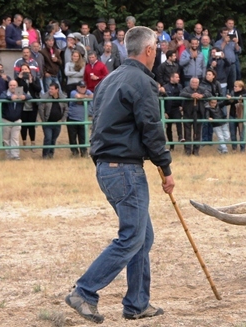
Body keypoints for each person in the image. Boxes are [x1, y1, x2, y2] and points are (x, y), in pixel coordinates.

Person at [68, 26, 173, 324]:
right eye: (157, 49)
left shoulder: (108, 80)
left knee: (143, 236)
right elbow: (152, 129)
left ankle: (137, 303)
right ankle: (84, 291)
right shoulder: (142, 82)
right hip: (125, 169)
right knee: (131, 237)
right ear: (149, 50)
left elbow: (101, 124)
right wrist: (166, 169)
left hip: (106, 167)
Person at [0, 79, 31, 160]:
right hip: (6, 119)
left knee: (15, 138)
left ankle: (15, 156)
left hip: (17, 119)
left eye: (14, 85)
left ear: (17, 86)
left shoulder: (19, 91)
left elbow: (29, 96)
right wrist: (10, 97)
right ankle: (8, 155)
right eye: (11, 85)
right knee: (6, 139)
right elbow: (0, 97)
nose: (12, 87)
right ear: (8, 86)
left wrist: (25, 97)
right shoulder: (5, 92)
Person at [39, 83, 68, 158]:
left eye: (52, 89)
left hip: (57, 122)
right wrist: (44, 120)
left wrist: (62, 120)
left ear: (57, 90)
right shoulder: (45, 97)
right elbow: (41, 109)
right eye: (49, 89)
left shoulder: (62, 98)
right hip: (47, 122)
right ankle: (45, 155)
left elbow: (66, 110)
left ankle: (51, 154)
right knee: (48, 138)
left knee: (53, 139)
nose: (50, 90)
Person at [223, 80, 246, 152]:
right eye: (234, 86)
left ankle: (242, 148)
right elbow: (225, 103)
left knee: (242, 133)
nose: (234, 87)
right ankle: (234, 148)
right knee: (232, 133)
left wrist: (241, 96)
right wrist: (229, 99)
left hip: (241, 115)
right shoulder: (232, 92)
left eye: (236, 86)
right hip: (232, 114)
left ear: (240, 87)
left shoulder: (245, 92)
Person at [67, 81, 92, 157]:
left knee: (83, 137)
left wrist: (83, 97)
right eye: (81, 87)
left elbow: (93, 95)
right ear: (77, 87)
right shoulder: (73, 92)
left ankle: (84, 152)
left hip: (83, 119)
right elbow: (77, 96)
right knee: (72, 137)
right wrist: (86, 97)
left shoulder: (88, 91)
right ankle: (75, 152)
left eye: (84, 87)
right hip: (72, 118)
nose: (82, 88)